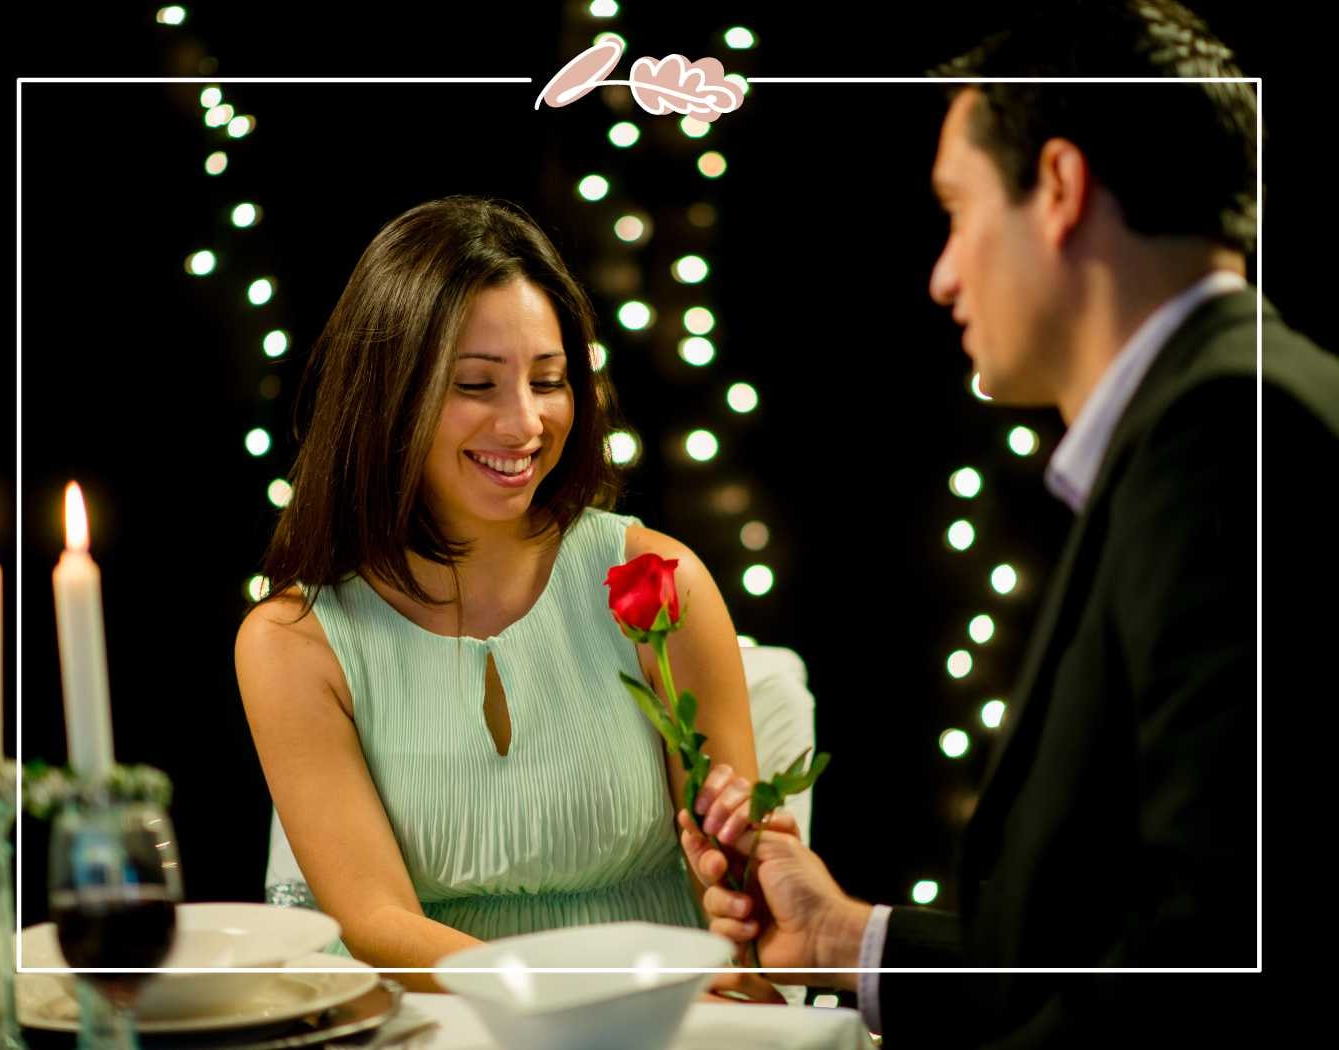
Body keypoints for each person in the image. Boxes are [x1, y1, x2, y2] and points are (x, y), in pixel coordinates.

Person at [681, 1, 1339, 1045]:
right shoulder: (1204, 416)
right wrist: (842, 938)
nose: (941, 273)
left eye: (955, 208)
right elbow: (1112, 937)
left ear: (1061, 190)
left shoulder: (1225, 432)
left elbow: (1205, 960)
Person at [234, 197, 765, 992]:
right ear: (387, 396)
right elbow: (376, 921)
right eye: (477, 385)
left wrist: (745, 871)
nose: (525, 423)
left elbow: (733, 907)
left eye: (549, 381)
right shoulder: (294, 641)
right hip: (433, 1027)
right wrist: (561, 997)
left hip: (657, 1020)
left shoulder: (657, 584)